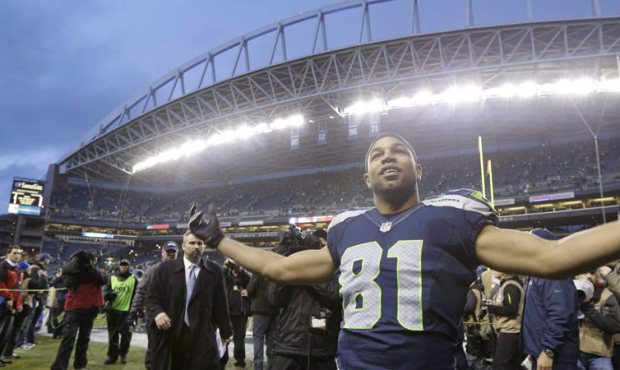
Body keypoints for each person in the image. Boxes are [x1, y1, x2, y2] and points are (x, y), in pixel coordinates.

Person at [189, 132, 620, 369]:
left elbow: (554, 257)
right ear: (366, 176)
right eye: (377, 153)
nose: (387, 156)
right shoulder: (346, 228)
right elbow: (279, 269)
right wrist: (218, 240)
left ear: (418, 170)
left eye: (399, 151)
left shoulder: (449, 218)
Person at [145, 231, 233, 370]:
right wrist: (158, 313)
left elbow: (221, 304)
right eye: (192, 243)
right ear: (183, 246)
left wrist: (225, 332)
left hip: (201, 336)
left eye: (200, 243)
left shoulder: (214, 271)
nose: (196, 246)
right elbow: (151, 297)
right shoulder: (165, 269)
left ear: (204, 247)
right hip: (171, 335)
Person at [267, 229, 341, 370]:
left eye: (322, 248)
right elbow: (274, 298)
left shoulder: (334, 265)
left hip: (322, 349)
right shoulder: (291, 265)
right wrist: (286, 256)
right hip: (289, 346)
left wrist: (307, 270)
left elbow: (334, 295)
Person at [521, 228, 579, 370]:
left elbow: (559, 314)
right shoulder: (538, 272)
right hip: (540, 352)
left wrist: (548, 351)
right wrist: (533, 350)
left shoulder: (554, 273)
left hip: (556, 356)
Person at [51, 249, 106, 370]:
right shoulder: (90, 272)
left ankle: (63, 366)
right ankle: (77, 365)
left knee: (71, 339)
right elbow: (102, 279)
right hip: (82, 309)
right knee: (79, 339)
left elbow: (101, 279)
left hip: (75, 308)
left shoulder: (75, 272)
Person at [130, 240, 179, 370]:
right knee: (154, 349)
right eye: (168, 252)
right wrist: (133, 311)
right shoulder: (152, 271)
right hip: (155, 316)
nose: (171, 255)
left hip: (176, 317)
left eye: (173, 252)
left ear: (178, 253)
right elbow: (141, 291)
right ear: (162, 252)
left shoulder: (183, 271)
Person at [575, 268, 620, 370]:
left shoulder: (606, 295)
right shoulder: (567, 293)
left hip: (599, 356)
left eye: (592, 273)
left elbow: (613, 326)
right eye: (584, 272)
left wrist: (587, 308)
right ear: (576, 275)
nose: (589, 276)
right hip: (573, 353)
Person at [485, 273, 525, 370]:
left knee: (500, 365)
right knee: (512, 365)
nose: (493, 271)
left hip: (510, 331)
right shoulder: (507, 284)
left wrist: (491, 308)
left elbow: (511, 309)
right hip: (509, 331)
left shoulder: (510, 285)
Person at [103, 259, 137, 365]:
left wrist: (136, 310)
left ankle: (123, 355)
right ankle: (112, 357)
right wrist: (108, 295)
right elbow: (104, 292)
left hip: (127, 312)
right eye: (122, 265)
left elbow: (137, 295)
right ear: (119, 266)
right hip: (113, 312)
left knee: (126, 336)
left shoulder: (133, 279)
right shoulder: (112, 278)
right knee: (113, 336)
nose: (124, 267)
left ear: (128, 267)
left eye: (126, 266)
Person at [222, 258, 250, 370]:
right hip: (228, 312)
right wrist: (225, 267)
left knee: (239, 339)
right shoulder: (227, 277)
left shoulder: (243, 277)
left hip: (241, 312)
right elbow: (221, 276)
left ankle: (239, 363)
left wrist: (239, 269)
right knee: (224, 338)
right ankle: (222, 361)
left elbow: (248, 279)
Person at [247, 269, 277, 370]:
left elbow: (250, 290)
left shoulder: (258, 272)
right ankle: (271, 367)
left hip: (260, 309)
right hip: (274, 310)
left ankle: (258, 367)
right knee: (271, 342)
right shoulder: (276, 272)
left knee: (258, 339)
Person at [0, 246, 23, 367]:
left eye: (19, 253)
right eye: (14, 253)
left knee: (6, 332)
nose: (17, 255)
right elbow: (0, 284)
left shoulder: (18, 269)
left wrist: (18, 303)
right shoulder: (3, 266)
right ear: (8, 254)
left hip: (11, 304)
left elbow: (18, 288)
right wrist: (8, 297)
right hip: (2, 302)